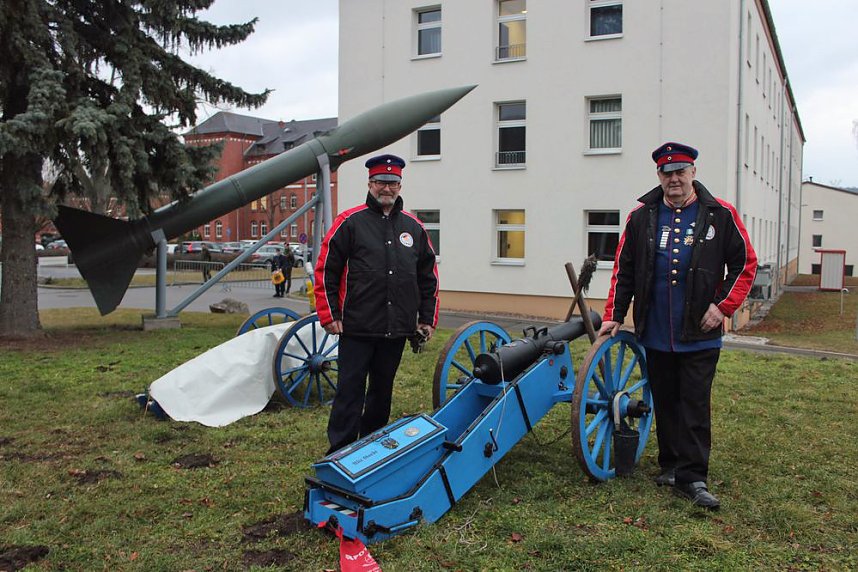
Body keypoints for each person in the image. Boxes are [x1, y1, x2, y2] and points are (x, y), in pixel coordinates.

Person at [598, 142, 757, 510]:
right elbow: (624, 271)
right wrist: (615, 314)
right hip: (655, 330)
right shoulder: (641, 217)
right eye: (667, 173)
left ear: (693, 173)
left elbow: (745, 264)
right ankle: (670, 465)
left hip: (700, 333)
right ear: (659, 176)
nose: (674, 179)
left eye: (681, 171)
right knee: (666, 401)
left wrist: (723, 307)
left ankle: (693, 477)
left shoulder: (719, 214)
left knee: (694, 405)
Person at [314, 153, 439, 454]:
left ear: (400, 185)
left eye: (393, 182)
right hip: (357, 326)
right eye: (381, 182)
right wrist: (329, 314)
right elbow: (326, 270)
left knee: (382, 393)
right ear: (370, 183)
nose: (387, 188)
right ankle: (340, 450)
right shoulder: (349, 223)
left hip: (395, 329)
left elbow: (428, 277)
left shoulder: (415, 228)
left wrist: (426, 319)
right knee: (349, 391)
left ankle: (372, 449)